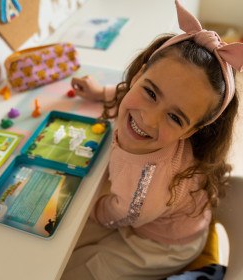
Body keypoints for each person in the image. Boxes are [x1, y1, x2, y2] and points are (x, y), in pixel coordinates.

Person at [61, 1, 243, 279]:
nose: (148, 118)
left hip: (161, 244)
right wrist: (101, 92)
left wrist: (86, 206)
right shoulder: (138, 95)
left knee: (79, 270)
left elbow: (124, 215)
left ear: (191, 131)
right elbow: (126, 93)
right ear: (138, 75)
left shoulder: (151, 176)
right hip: (145, 207)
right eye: (151, 93)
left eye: (175, 117)